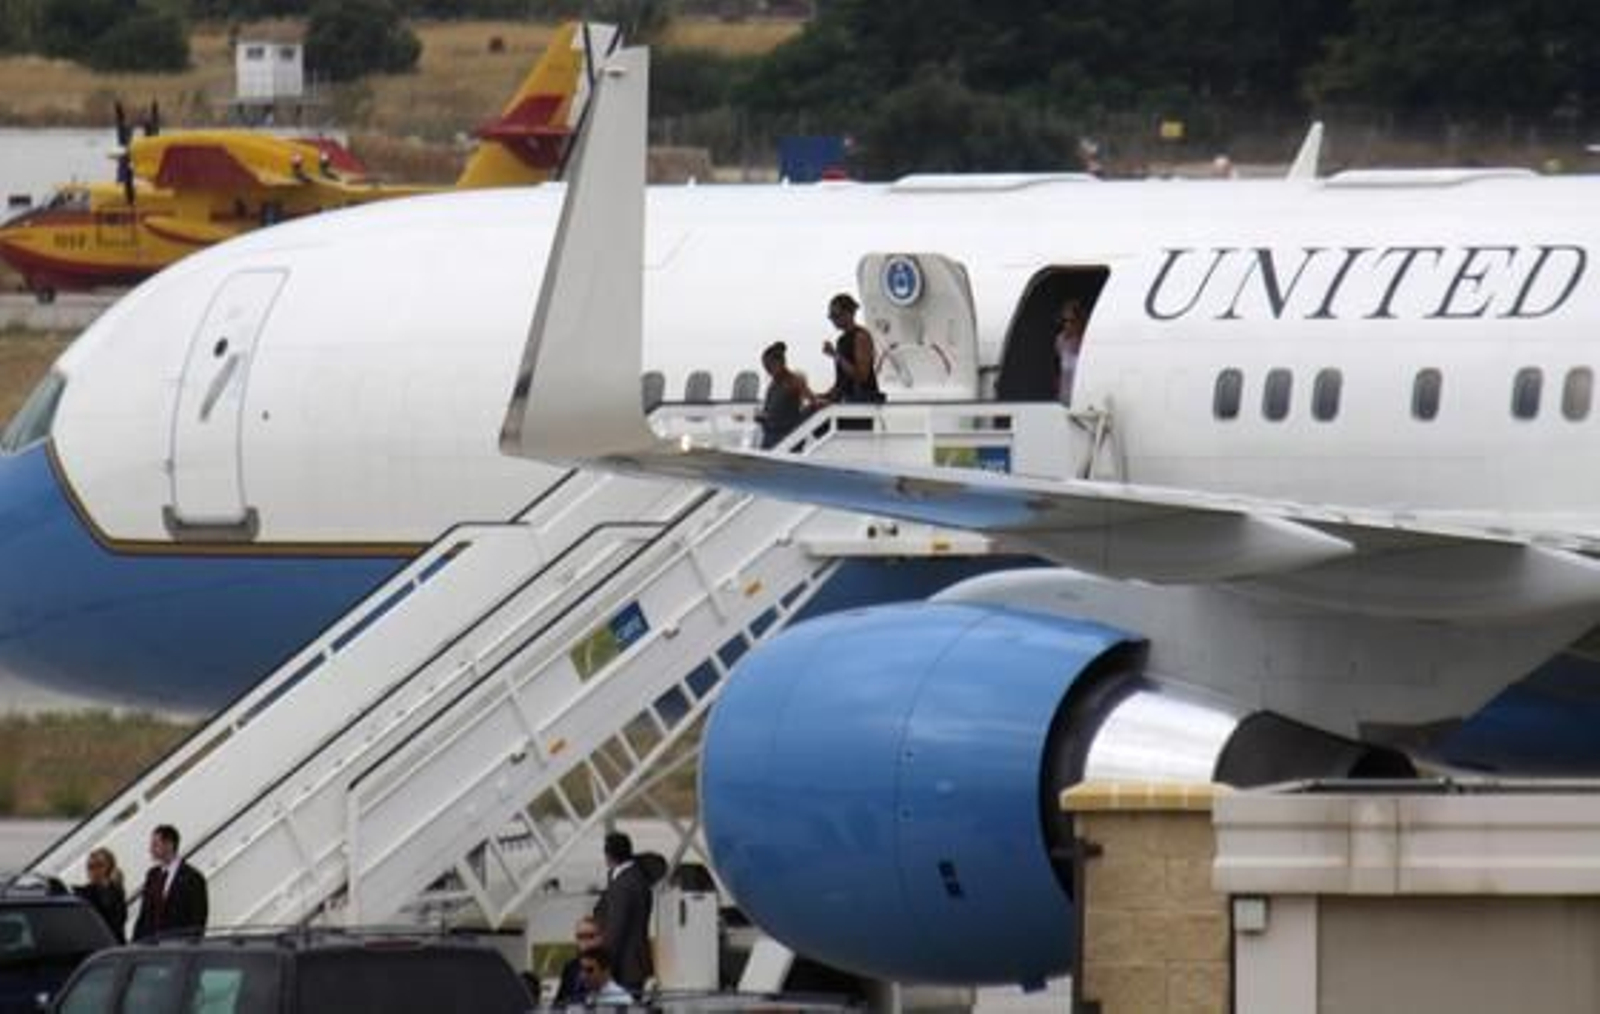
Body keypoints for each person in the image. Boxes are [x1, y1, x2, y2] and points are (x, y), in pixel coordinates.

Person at [593, 831, 652, 995]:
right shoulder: (636, 877)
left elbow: (616, 929)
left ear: (609, 855)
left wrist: (604, 965)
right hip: (635, 962)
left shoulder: (623, 885)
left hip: (624, 966)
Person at [132, 824, 208, 940]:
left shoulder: (193, 878)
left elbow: (198, 920)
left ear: (169, 845)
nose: (150, 849)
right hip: (152, 947)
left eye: (155, 845)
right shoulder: (152, 875)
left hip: (177, 948)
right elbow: (144, 915)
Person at [821, 293, 883, 405]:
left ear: (849, 314)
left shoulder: (861, 336)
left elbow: (862, 376)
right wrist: (823, 396)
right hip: (847, 401)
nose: (832, 320)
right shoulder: (841, 340)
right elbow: (842, 382)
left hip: (861, 404)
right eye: (831, 316)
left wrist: (835, 355)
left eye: (836, 315)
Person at [756, 341, 818, 449]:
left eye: (769, 367)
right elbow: (770, 409)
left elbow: (813, 401)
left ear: (780, 363)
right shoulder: (773, 384)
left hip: (786, 437)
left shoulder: (794, 381)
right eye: (765, 367)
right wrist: (762, 416)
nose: (768, 371)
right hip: (770, 435)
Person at [72, 847, 127, 944]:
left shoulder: (117, 892)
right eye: (90, 867)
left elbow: (117, 922)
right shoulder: (82, 893)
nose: (95, 871)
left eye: (99, 865)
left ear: (109, 867)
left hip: (113, 946)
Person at [553, 916, 604, 1005]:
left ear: (601, 938)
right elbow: (559, 1003)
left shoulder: (611, 966)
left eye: (590, 936)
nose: (585, 941)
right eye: (580, 937)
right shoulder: (570, 967)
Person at [1054, 299, 1087, 404]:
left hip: (1081, 396)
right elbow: (1059, 368)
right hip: (1064, 397)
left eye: (1071, 321)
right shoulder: (1060, 340)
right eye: (1065, 321)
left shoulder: (1086, 341)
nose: (1067, 325)